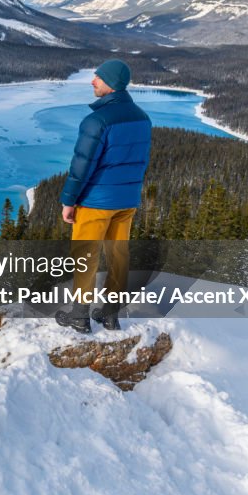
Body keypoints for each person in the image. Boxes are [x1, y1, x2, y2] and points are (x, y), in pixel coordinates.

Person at [55, 59, 151, 333]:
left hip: (96, 201)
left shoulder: (97, 120)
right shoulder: (142, 118)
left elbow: (81, 165)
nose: (92, 80)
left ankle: (80, 316)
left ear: (111, 83)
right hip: (127, 201)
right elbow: (138, 161)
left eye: (98, 77)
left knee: (86, 255)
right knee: (119, 254)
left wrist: (69, 201)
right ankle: (110, 314)